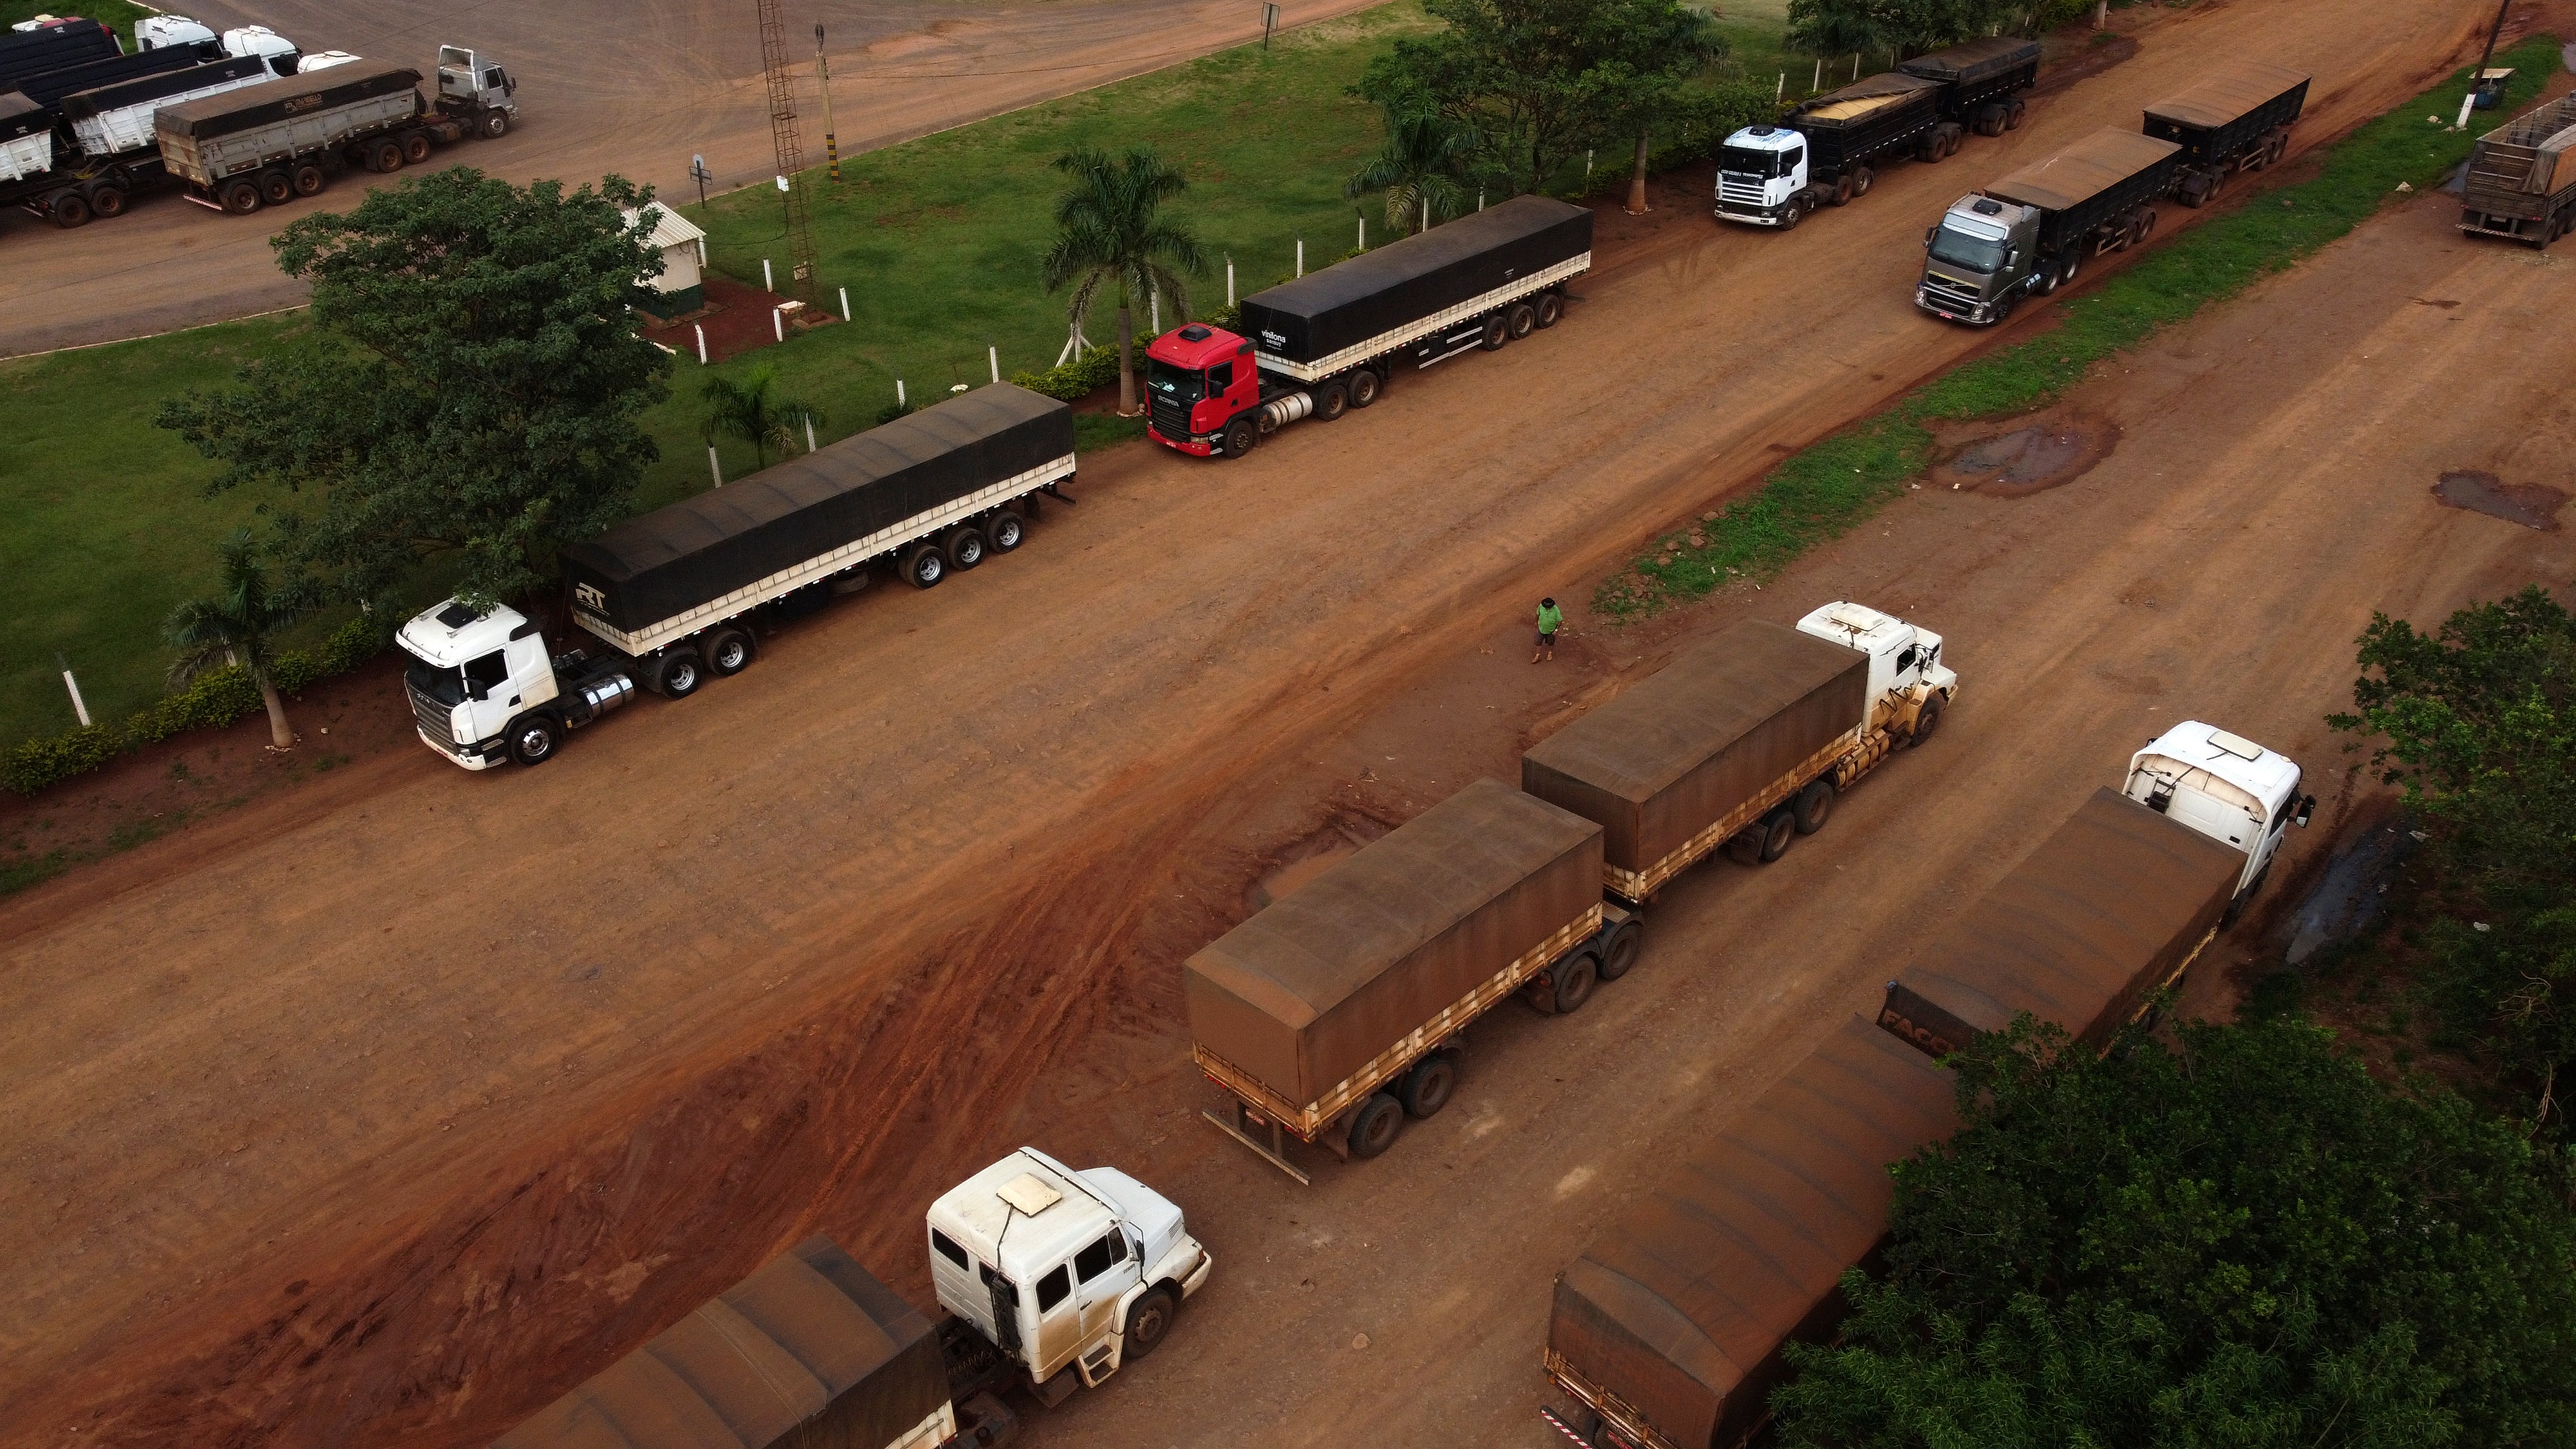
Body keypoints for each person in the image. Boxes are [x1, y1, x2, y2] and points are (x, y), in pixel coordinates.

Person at [1533, 597, 1563, 663]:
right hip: (1541, 628)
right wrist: (1536, 622)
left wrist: (1556, 630)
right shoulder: (1541, 606)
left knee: (1551, 642)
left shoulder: (1556, 610)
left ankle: (1550, 653)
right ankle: (1538, 655)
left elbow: (1560, 620)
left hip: (1551, 630)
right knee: (1538, 641)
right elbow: (1537, 614)